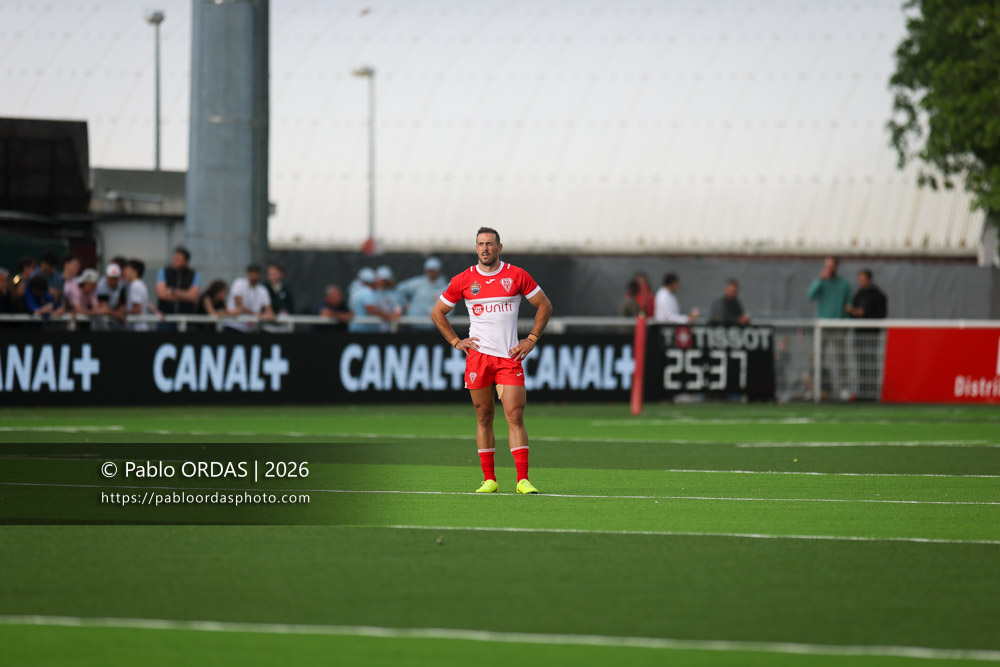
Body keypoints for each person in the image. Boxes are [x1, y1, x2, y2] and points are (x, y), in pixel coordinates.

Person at [431, 227, 553, 495]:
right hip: (478, 359)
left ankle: (523, 479)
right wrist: (456, 341)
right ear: (476, 248)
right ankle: (490, 479)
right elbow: (438, 313)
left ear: (499, 247)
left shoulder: (516, 275)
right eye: (480, 244)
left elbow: (544, 305)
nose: (485, 248)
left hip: (509, 357)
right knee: (484, 416)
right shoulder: (463, 280)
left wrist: (531, 338)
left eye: (490, 244)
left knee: (515, 415)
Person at [807, 257, 852, 399]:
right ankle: (813, 387)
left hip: (838, 324)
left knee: (841, 357)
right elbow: (810, 296)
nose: (829, 269)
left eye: (831, 266)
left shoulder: (844, 284)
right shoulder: (822, 282)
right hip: (822, 325)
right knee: (816, 357)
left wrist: (845, 322)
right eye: (827, 266)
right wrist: (820, 280)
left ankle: (844, 388)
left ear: (836, 267)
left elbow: (848, 305)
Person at [846, 269, 888, 398]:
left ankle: (873, 392)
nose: (861, 282)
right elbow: (853, 312)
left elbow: (878, 314)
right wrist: (855, 312)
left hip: (871, 334)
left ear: (869, 279)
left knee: (871, 363)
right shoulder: (858, 295)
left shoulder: (878, 295)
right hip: (859, 335)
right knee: (861, 364)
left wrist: (860, 313)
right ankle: (863, 392)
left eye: (863, 279)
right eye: (859, 280)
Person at [396, 257, 448, 330]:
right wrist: (402, 304)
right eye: (430, 270)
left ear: (439, 271)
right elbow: (400, 288)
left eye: (434, 270)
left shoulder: (444, 288)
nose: (431, 273)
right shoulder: (418, 283)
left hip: (433, 328)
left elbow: (449, 307)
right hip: (412, 326)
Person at [156, 246, 201, 327]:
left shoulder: (193, 274)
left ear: (185, 261)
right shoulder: (164, 272)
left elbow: (193, 296)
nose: (174, 261)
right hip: (166, 319)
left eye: (178, 259)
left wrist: (173, 291)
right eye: (174, 258)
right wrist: (185, 295)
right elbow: (161, 294)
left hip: (186, 319)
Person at [225, 264, 274, 332]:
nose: (254, 276)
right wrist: (257, 315)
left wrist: (269, 314)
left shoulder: (262, 290)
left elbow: (269, 310)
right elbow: (240, 306)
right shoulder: (239, 283)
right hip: (233, 326)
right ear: (247, 273)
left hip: (249, 329)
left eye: (256, 273)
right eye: (252, 272)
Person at [348, 267, 396, 333]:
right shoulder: (367, 292)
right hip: (363, 331)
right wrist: (388, 316)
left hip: (359, 329)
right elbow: (371, 310)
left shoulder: (357, 291)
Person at [123, 259, 162, 331]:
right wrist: (158, 313)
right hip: (141, 326)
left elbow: (138, 309)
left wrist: (122, 312)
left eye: (128, 269)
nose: (125, 271)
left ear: (135, 272)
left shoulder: (135, 286)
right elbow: (147, 303)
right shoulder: (141, 284)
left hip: (136, 327)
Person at [93, 263, 127, 330]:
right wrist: (119, 315)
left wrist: (119, 314)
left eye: (115, 278)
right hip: (100, 320)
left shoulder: (121, 286)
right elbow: (104, 309)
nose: (113, 281)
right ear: (106, 277)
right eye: (111, 278)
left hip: (114, 319)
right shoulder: (101, 286)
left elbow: (122, 307)